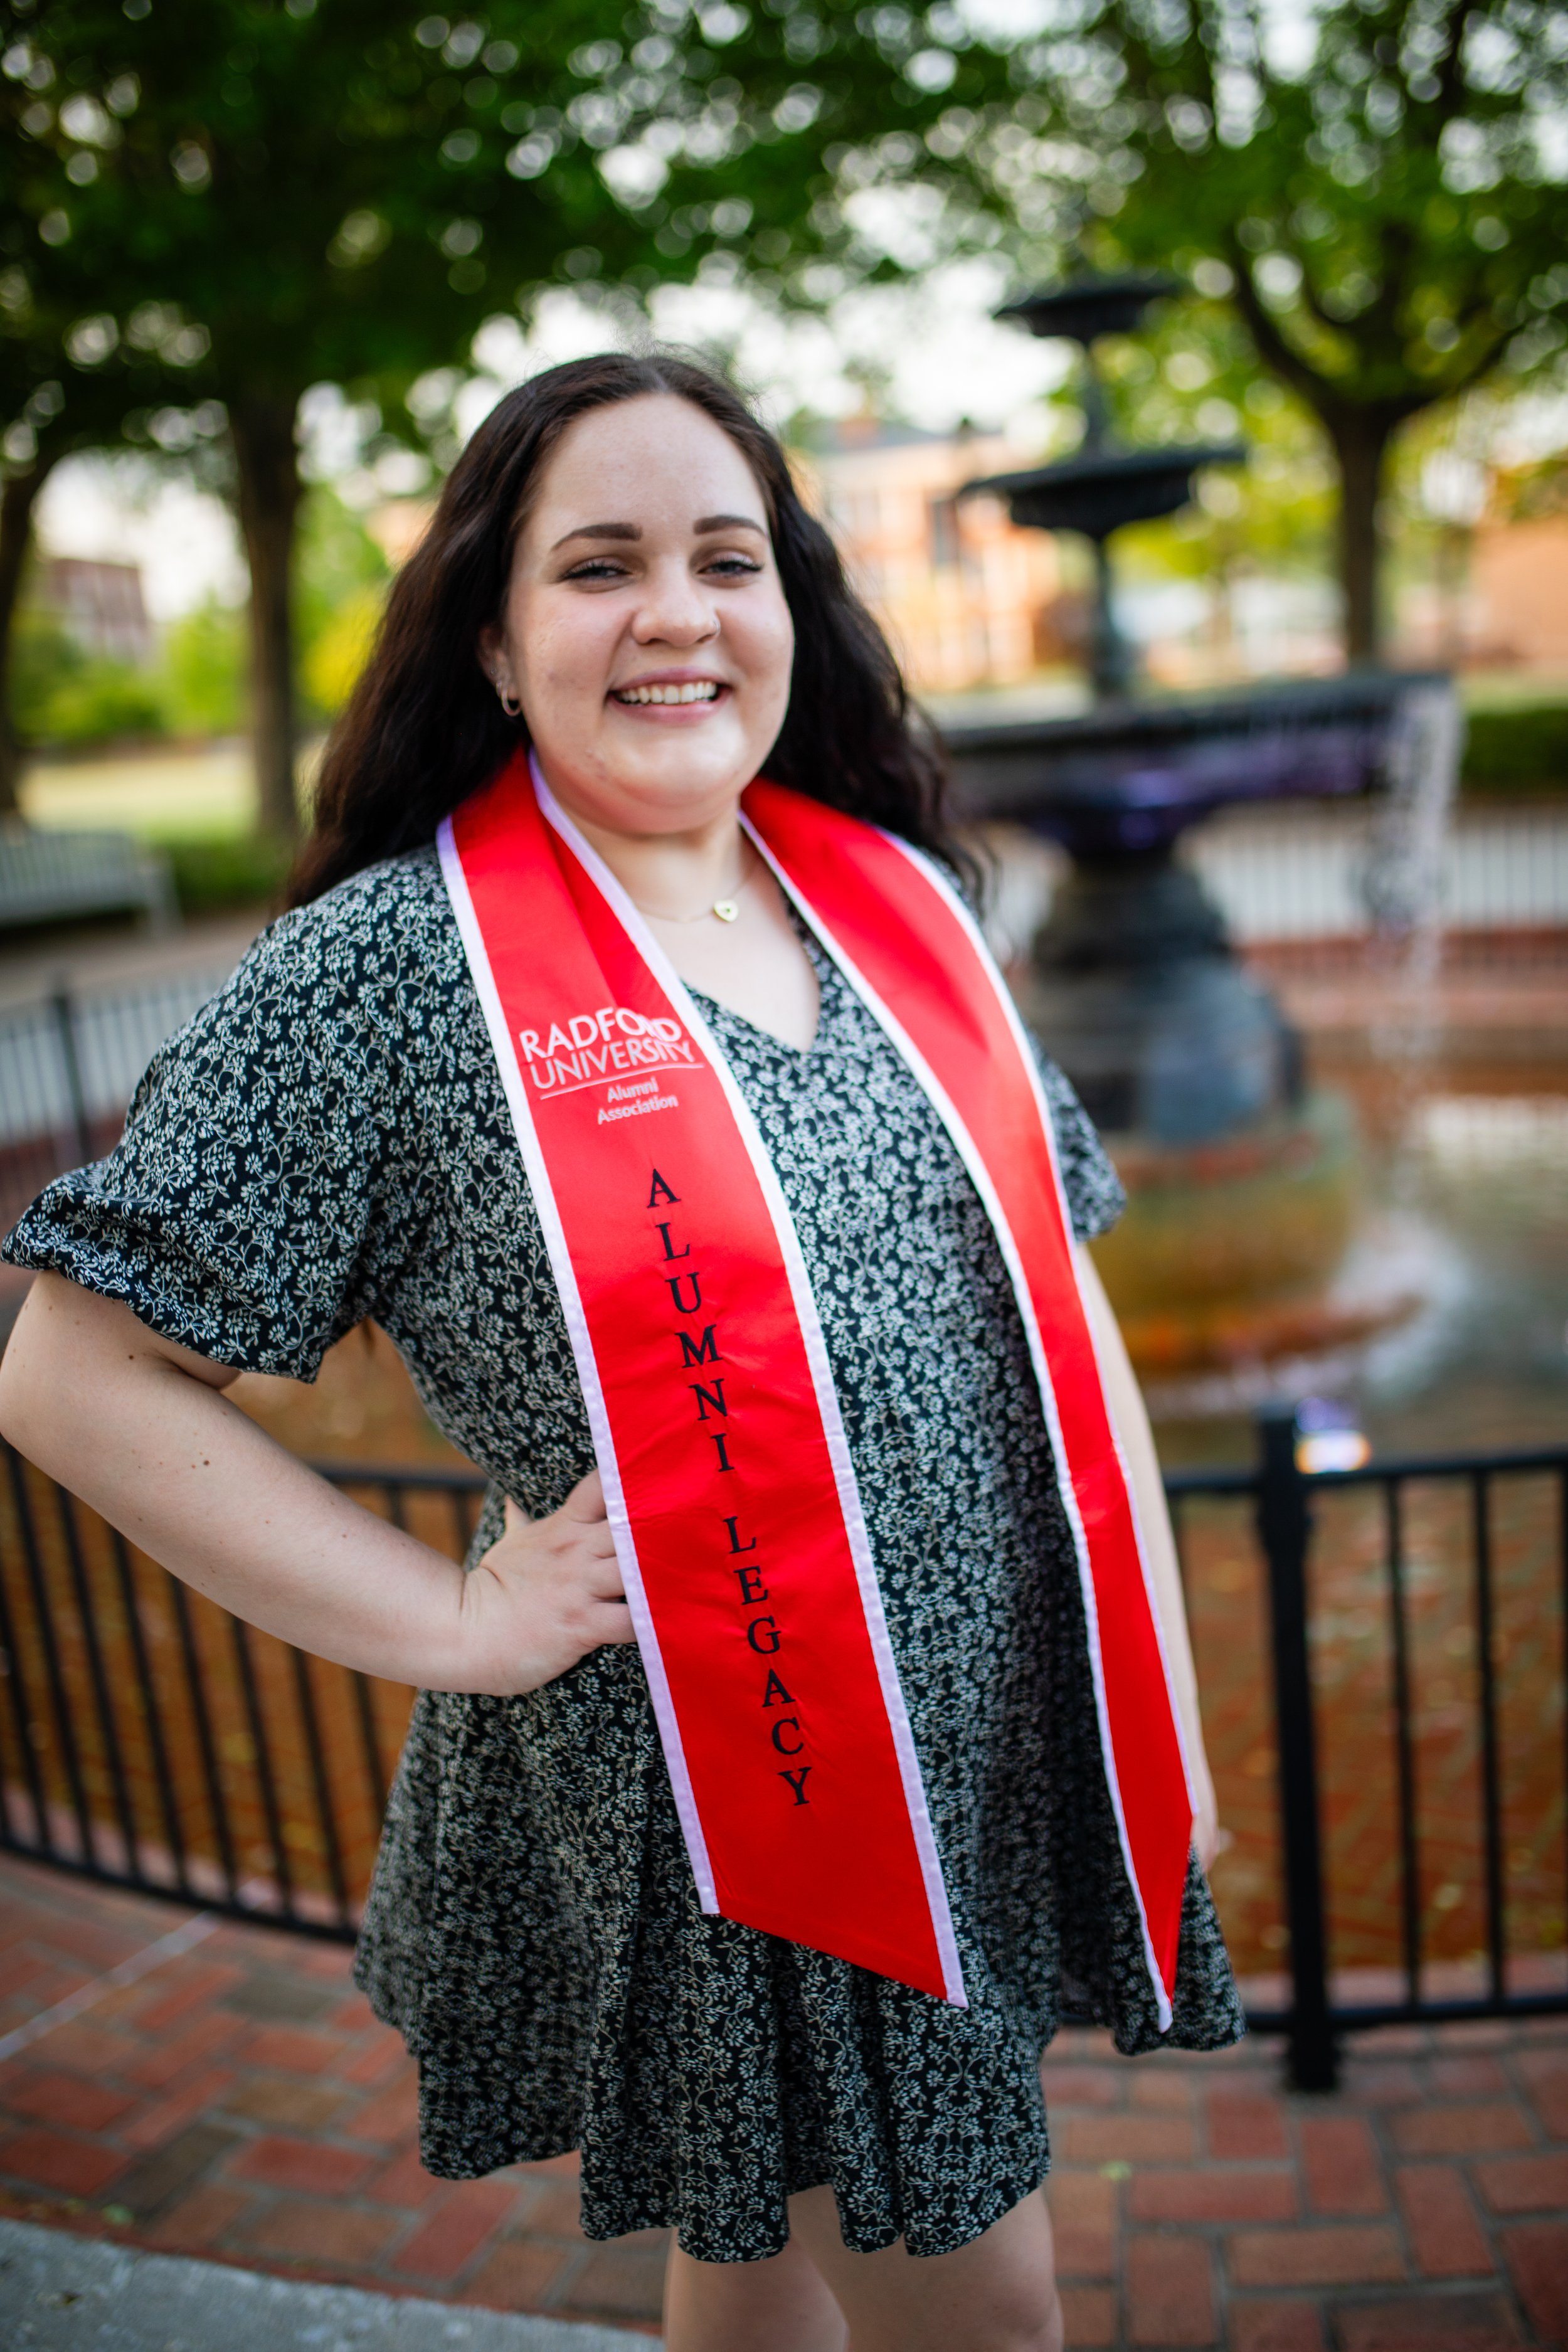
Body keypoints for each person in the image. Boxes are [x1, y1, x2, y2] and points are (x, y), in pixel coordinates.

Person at [0, 352, 1240, 2352]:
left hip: (981, 1720)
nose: (675, 611)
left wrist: (1160, 1694)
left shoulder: (896, 904)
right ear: (492, 640)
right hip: (734, 1788)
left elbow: (1063, 1318)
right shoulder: (393, 975)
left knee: (751, 2260)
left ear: (788, 608)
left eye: (724, 558)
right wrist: (453, 1620)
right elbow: (69, 1377)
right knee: (986, 2319)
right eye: (598, 565)